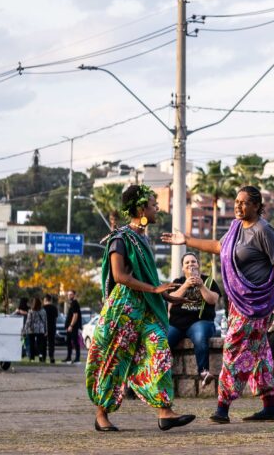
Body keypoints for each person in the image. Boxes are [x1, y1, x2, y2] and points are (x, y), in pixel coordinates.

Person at [162, 185, 274, 423]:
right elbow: (218, 247)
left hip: (254, 305)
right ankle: (270, 406)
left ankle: (222, 407)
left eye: (244, 202)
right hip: (238, 303)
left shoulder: (263, 230)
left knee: (233, 350)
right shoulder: (235, 227)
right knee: (259, 353)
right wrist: (186, 240)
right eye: (236, 201)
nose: (238, 206)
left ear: (256, 206)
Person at [87, 184, 195, 432]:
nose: (158, 208)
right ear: (141, 208)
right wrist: (155, 290)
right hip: (123, 309)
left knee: (160, 349)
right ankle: (101, 414)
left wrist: (170, 297)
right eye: (154, 205)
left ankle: (165, 412)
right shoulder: (120, 238)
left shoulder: (143, 237)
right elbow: (120, 276)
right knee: (114, 359)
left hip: (145, 309)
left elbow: (149, 281)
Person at [167, 252, 220, 386]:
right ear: (183, 268)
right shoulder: (177, 282)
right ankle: (160, 375)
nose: (191, 264)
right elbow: (171, 299)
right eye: (187, 263)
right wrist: (185, 285)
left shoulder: (209, 281)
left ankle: (203, 372)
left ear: (198, 265)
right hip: (177, 324)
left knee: (199, 336)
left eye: (193, 262)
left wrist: (201, 286)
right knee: (163, 340)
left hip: (200, 321)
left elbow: (213, 300)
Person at [24, 296, 47, 362]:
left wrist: (25, 329)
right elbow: (45, 321)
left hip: (32, 329)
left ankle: (32, 358)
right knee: (40, 345)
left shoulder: (31, 311)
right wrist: (46, 330)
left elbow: (28, 321)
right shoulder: (43, 311)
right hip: (41, 329)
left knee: (32, 344)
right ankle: (40, 357)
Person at [64, 290, 83, 364]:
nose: (69, 296)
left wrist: (71, 325)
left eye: (71, 294)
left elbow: (75, 315)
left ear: (74, 295)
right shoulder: (71, 303)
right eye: (68, 294)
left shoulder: (75, 303)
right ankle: (68, 358)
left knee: (75, 342)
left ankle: (77, 359)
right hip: (69, 327)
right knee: (68, 342)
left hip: (73, 327)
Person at [43, 294, 59, 364]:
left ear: (45, 300)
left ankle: (43, 357)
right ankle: (51, 357)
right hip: (52, 327)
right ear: (51, 300)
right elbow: (56, 317)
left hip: (44, 328)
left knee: (43, 343)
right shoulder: (54, 308)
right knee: (51, 343)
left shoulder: (43, 308)